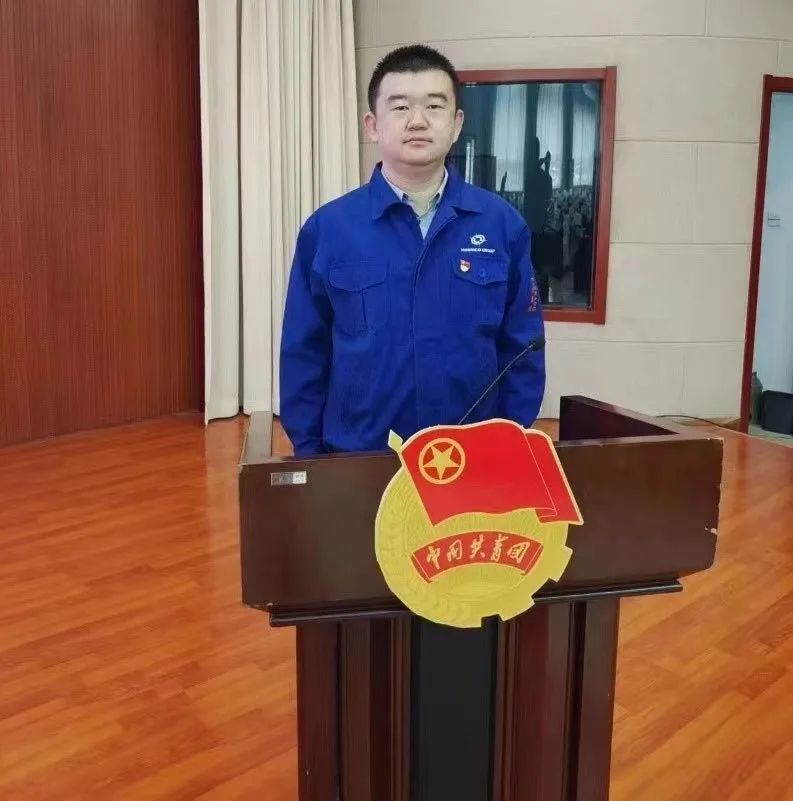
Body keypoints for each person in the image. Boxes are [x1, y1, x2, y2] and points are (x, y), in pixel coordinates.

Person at [279, 44, 545, 456]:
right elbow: (304, 352)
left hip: (469, 458)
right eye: (400, 107)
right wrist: (312, 456)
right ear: (372, 125)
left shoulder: (501, 225)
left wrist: (504, 445)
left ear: (456, 124)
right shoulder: (328, 229)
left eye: (434, 107)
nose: (417, 121)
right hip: (357, 457)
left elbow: (523, 349)